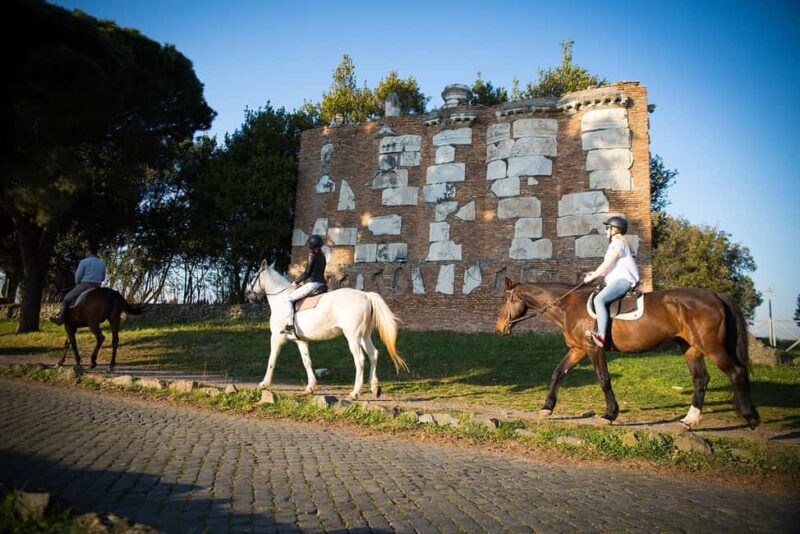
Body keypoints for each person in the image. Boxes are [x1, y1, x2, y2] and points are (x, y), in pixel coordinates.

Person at [583, 216, 639, 348]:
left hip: (623, 281)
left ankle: (601, 336)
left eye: (608, 228)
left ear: (615, 229)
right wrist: (595, 273)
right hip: (618, 280)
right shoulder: (618, 243)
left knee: (599, 300)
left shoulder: (617, 243)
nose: (606, 231)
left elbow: (607, 264)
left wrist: (593, 277)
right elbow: (608, 266)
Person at [280, 235, 327, 337]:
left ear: (311, 245)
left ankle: (290, 327)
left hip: (313, 284)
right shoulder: (323, 256)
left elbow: (307, 273)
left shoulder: (312, 255)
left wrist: (296, 282)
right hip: (322, 283)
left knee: (288, 300)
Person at [50, 243, 106, 325]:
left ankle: (61, 318)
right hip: (97, 287)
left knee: (67, 298)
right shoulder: (101, 263)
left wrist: (77, 283)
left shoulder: (84, 261)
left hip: (85, 285)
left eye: (86, 251)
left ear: (89, 252)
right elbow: (103, 278)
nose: (85, 253)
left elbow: (78, 276)